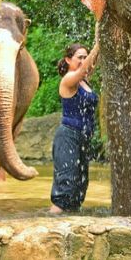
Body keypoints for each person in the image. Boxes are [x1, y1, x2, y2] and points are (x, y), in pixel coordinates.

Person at [49, 39, 100, 214]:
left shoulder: (85, 80)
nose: (83, 60)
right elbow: (85, 68)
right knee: (66, 186)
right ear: (68, 60)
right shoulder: (69, 79)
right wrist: (97, 44)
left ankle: (70, 227)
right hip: (68, 137)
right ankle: (48, 226)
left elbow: (91, 64)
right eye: (79, 57)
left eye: (85, 57)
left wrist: (100, 30)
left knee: (79, 187)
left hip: (83, 138)